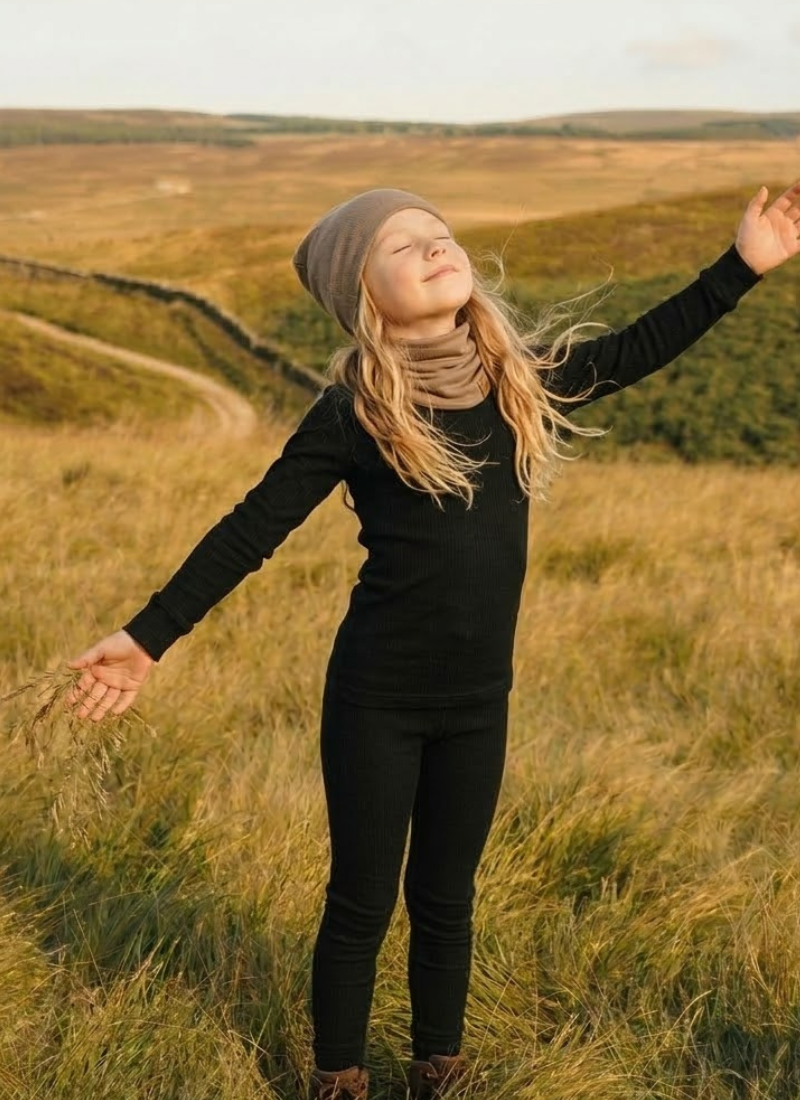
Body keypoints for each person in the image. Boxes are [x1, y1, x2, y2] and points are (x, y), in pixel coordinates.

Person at [66, 180, 800, 1100]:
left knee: (449, 901)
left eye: (437, 232)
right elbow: (252, 527)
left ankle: (438, 1072)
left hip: (476, 703)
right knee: (362, 904)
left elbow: (642, 347)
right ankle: (338, 1079)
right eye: (400, 246)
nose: (432, 247)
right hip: (378, 701)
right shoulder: (354, 413)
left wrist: (743, 266)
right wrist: (147, 637)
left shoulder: (518, 379)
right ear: (365, 296)